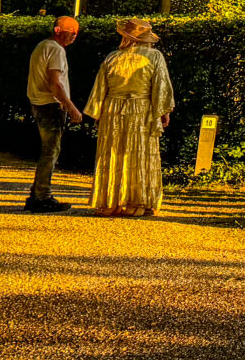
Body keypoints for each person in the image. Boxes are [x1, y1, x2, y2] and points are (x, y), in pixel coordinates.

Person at [85, 19, 175, 217]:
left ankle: (110, 201)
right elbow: (161, 87)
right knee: (140, 154)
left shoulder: (112, 57)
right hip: (142, 109)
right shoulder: (154, 57)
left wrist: (97, 113)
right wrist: (163, 112)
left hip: (113, 110)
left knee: (112, 154)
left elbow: (99, 89)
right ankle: (138, 202)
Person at [23, 16, 84, 213]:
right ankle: (43, 197)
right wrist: (71, 107)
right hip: (51, 106)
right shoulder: (57, 50)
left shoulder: (42, 46)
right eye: (71, 32)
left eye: (75, 33)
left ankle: (36, 194)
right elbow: (55, 82)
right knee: (51, 152)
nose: (74, 37)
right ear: (58, 31)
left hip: (38, 103)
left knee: (48, 151)